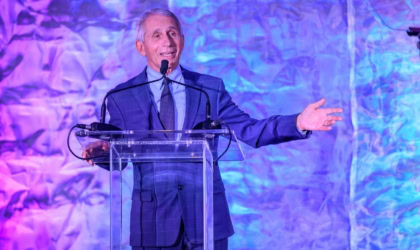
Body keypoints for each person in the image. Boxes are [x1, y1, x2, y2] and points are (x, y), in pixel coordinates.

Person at [83, 8, 343, 250]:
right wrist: (102, 151)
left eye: (173, 33)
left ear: (182, 41)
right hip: (152, 224)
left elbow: (250, 131)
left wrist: (297, 122)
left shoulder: (209, 88)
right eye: (157, 35)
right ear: (141, 47)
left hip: (207, 220)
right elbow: (119, 156)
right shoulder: (122, 97)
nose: (167, 42)